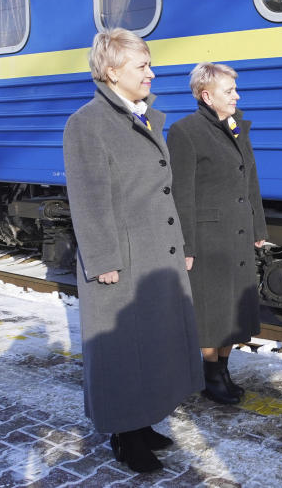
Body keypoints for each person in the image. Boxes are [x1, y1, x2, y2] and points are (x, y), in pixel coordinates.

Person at [62, 28, 203, 473]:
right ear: (111, 71)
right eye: (142, 66)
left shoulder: (142, 116)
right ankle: (124, 437)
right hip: (122, 255)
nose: (151, 73)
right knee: (124, 349)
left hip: (154, 251)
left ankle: (142, 423)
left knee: (153, 345)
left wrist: (179, 244)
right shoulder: (88, 123)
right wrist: (103, 259)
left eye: (148, 64)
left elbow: (160, 191)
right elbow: (87, 197)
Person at [167, 62, 267, 404]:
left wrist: (258, 227)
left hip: (238, 233)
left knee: (234, 312)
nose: (237, 96)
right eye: (230, 91)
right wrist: (186, 246)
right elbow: (181, 193)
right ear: (207, 96)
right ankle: (210, 375)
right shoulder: (185, 132)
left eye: (235, 90)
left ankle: (223, 369)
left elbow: (250, 180)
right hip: (208, 238)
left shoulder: (237, 126)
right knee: (212, 313)